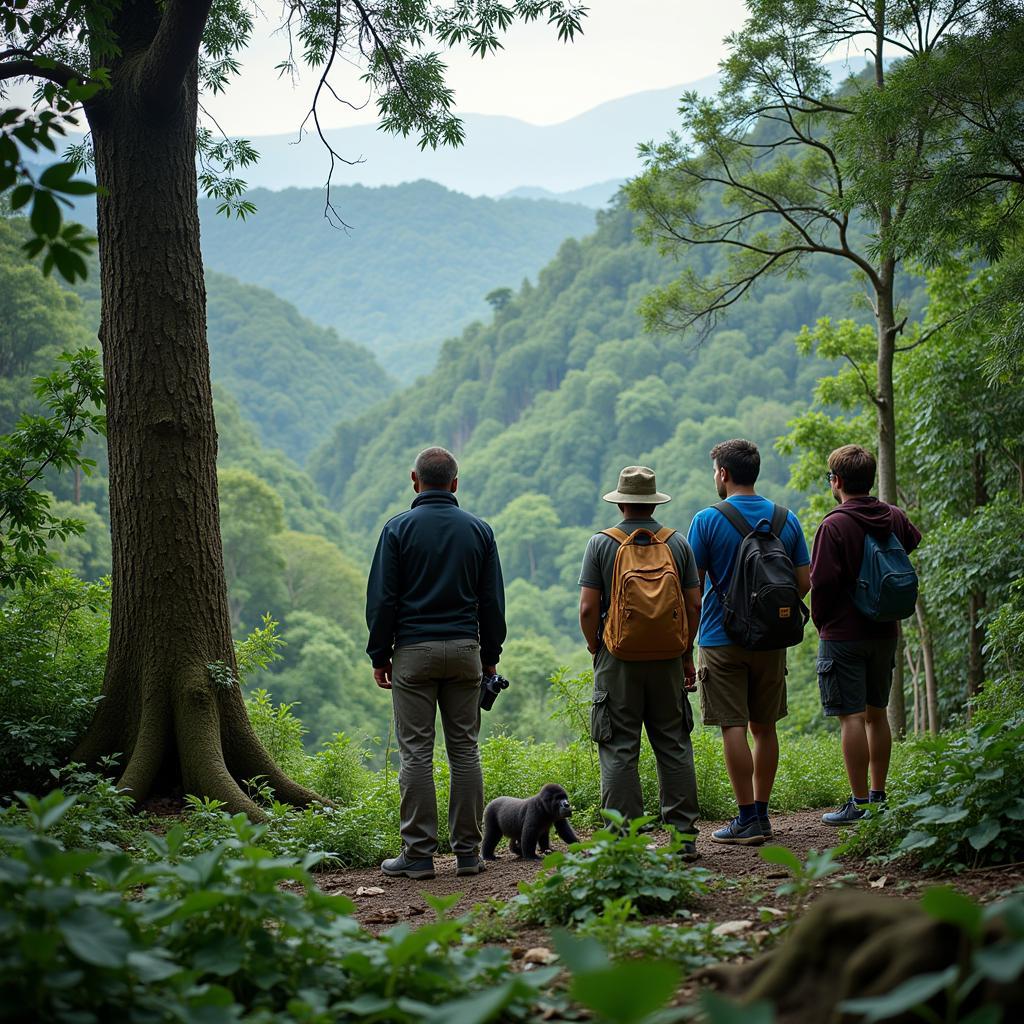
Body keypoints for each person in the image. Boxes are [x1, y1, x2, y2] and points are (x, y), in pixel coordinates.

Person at [365, 446, 506, 879]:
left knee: (416, 754)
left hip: (412, 654)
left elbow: (382, 600)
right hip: (465, 652)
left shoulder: (397, 530)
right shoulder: (479, 531)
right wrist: (490, 657)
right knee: (465, 751)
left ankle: (419, 855)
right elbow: (492, 604)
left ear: (415, 480)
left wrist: (379, 653)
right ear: (455, 483)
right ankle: (467, 853)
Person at [687, 439, 810, 845]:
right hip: (772, 640)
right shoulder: (785, 518)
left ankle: (745, 820)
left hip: (721, 639)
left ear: (723, 473)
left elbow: (693, 586)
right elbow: (803, 582)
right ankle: (762, 812)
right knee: (765, 726)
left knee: (733, 726)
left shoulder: (706, 520)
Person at [578, 465, 703, 860]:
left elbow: (587, 607)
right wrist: (685, 652)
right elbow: (694, 603)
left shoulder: (601, 544)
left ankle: (624, 844)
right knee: (674, 745)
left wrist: (596, 645)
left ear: (621, 503)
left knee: (619, 748)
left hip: (617, 660)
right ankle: (683, 840)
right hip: (668, 659)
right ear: (652, 500)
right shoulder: (677, 543)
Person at [811, 444, 921, 825]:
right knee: (877, 715)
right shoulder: (893, 515)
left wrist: (821, 621)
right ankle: (878, 796)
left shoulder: (834, 525)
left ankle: (858, 802)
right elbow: (911, 542)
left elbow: (822, 581)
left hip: (843, 634)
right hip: (885, 630)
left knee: (851, 718)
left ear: (837, 481)